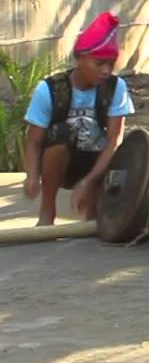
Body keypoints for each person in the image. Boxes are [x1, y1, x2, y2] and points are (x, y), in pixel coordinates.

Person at [22, 12, 135, 226]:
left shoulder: (115, 87)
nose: (106, 70)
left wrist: (88, 182)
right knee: (60, 133)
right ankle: (47, 211)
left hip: (97, 161)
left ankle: (92, 202)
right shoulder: (50, 89)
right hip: (59, 162)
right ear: (80, 58)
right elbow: (34, 141)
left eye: (111, 64)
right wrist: (31, 176)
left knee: (90, 221)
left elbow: (114, 140)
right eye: (99, 63)